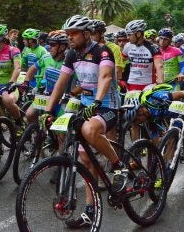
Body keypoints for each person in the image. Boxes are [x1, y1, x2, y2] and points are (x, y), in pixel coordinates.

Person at [43, 15, 123, 228]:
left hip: (107, 105)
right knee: (86, 162)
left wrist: (97, 102)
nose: (69, 38)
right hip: (86, 105)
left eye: (73, 34)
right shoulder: (71, 54)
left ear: (87, 34)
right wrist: (48, 110)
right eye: (67, 34)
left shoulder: (102, 51)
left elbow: (105, 77)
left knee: (89, 129)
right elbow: (61, 83)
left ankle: (118, 165)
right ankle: (90, 211)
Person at [136, 83, 184, 195]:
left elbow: (181, 93)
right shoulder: (147, 117)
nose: (140, 122)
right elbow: (157, 146)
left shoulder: (158, 99)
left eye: (138, 119)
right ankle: (165, 172)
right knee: (170, 140)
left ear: (141, 111)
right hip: (178, 112)